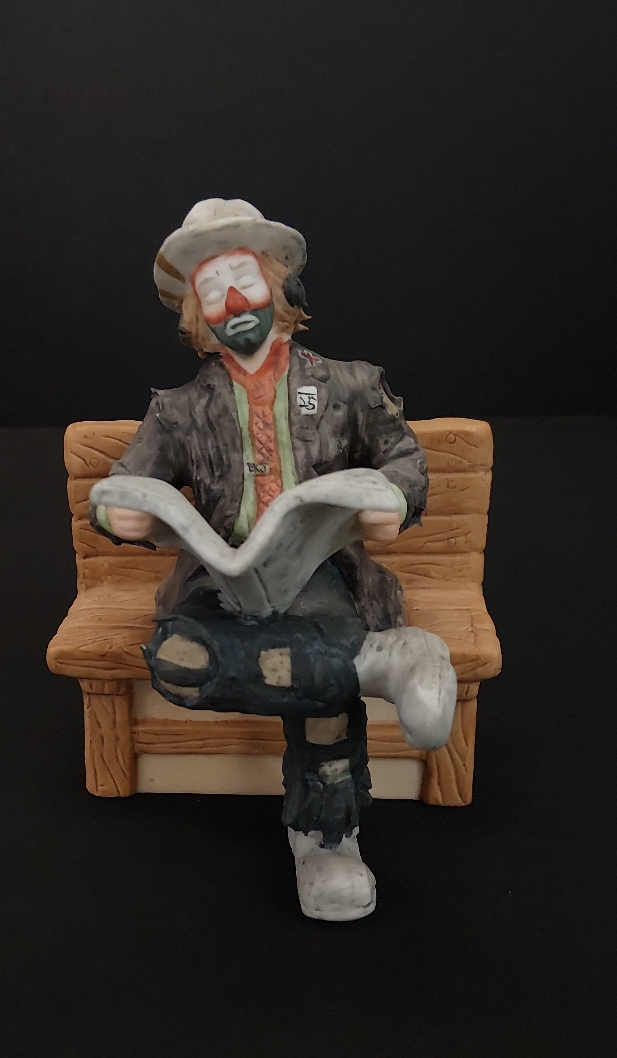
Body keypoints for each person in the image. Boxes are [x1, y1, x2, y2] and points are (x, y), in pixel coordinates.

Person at [90, 199, 456, 922]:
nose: (232, 303)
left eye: (243, 281)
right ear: (198, 314)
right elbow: (125, 481)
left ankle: (327, 840)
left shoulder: (350, 384)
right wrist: (119, 512)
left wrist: (391, 497)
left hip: (321, 577)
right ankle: (379, 666)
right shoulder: (178, 410)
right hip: (220, 585)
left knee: (321, 697)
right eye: (212, 290)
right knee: (179, 665)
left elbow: (405, 461)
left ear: (278, 286)